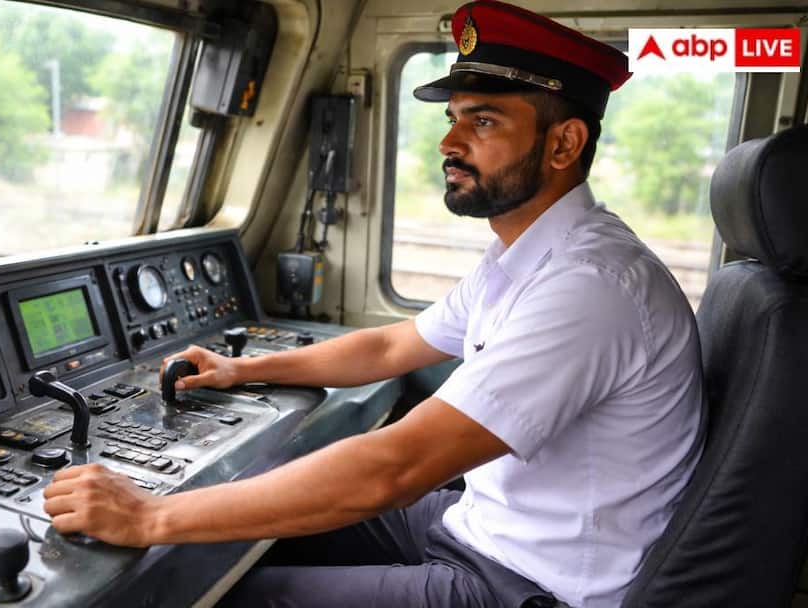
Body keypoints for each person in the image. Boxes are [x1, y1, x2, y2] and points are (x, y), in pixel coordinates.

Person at [41, 1, 705, 605]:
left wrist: (149, 515)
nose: (449, 144)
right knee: (250, 534)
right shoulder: (526, 257)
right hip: (481, 526)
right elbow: (391, 345)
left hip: (529, 582)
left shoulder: (589, 289)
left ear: (564, 144)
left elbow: (396, 468)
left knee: (236, 595)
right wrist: (243, 369)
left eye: (483, 121)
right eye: (452, 119)